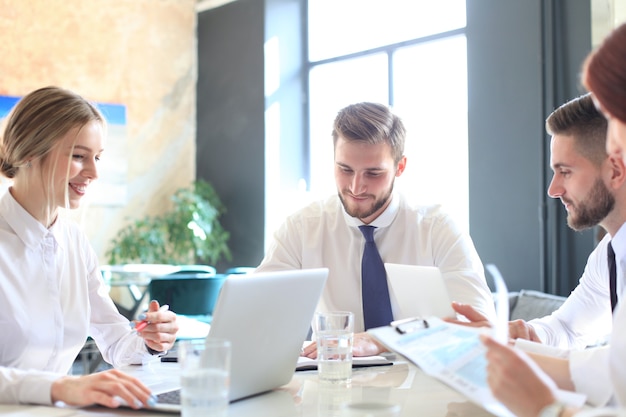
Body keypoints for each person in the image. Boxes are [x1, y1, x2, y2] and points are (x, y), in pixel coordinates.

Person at [255, 101, 496, 357]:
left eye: (373, 173)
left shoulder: (438, 228)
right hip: (332, 381)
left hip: (420, 383)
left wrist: (382, 340)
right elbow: (257, 311)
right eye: (345, 169)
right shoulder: (301, 228)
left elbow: (478, 326)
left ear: (400, 167)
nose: (356, 187)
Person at [480, 22, 626, 417]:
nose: (553, 190)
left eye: (565, 172)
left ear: (615, 169)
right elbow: (570, 331)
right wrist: (520, 337)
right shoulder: (610, 255)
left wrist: (546, 409)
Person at [0, 86, 179, 408]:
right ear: (29, 151)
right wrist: (60, 388)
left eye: (97, 158)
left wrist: (149, 340)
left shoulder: (74, 241)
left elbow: (116, 341)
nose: (94, 173)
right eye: (78, 156)